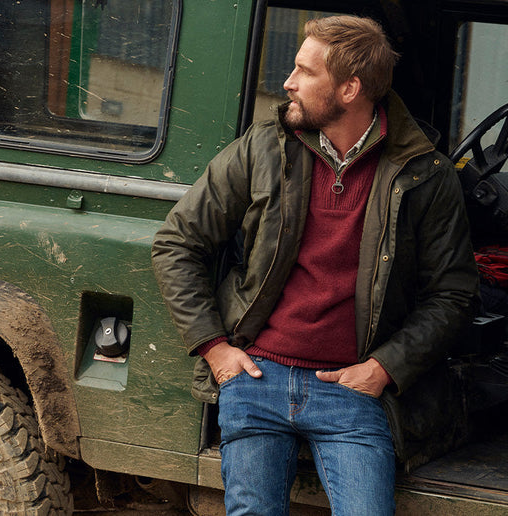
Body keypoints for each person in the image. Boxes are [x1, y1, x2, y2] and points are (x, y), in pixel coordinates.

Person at [152, 15, 478, 515]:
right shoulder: (265, 146)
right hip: (256, 379)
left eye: (305, 71)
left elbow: (453, 294)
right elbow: (178, 242)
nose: (288, 82)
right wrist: (216, 350)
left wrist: (383, 368)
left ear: (349, 89)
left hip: (351, 392)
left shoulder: (425, 174)